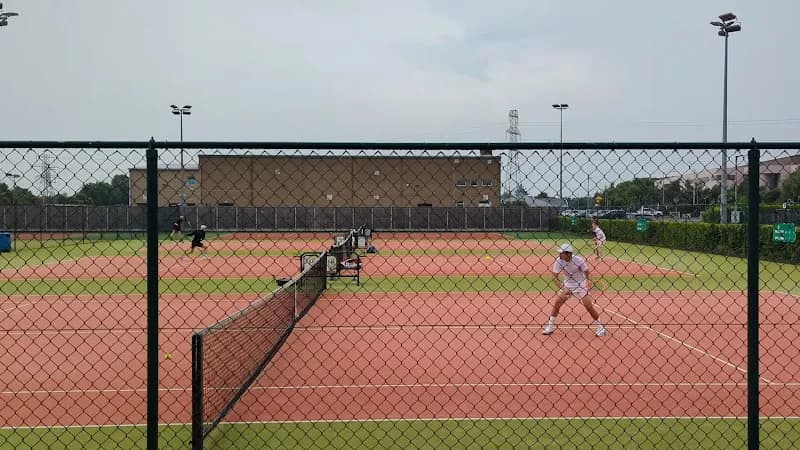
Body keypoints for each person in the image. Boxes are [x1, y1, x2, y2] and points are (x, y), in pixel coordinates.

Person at [543, 243, 606, 337]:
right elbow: (554, 277)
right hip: (567, 284)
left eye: (562, 253)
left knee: (588, 306)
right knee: (557, 303)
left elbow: (587, 272)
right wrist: (563, 288)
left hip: (581, 284)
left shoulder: (578, 260)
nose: (559, 255)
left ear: (568, 254)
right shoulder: (559, 261)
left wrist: (589, 281)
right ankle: (550, 326)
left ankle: (600, 327)